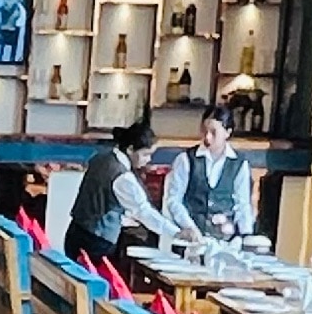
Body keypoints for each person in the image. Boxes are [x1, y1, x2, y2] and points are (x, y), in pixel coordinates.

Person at [58, 132, 161, 267]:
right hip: (98, 241)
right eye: (145, 154)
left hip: (75, 231)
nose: (148, 159)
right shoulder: (122, 176)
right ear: (130, 149)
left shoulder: (100, 157)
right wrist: (174, 233)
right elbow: (143, 211)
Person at [171, 109, 256, 239]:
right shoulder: (185, 159)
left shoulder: (239, 164)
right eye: (204, 131)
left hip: (225, 239)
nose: (207, 137)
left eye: (214, 132)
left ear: (227, 132)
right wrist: (190, 228)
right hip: (190, 238)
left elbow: (243, 205)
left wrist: (246, 235)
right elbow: (174, 200)